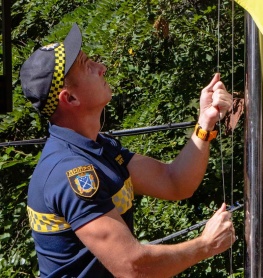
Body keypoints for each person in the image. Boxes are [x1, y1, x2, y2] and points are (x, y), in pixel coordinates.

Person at [20, 23, 235, 277]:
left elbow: (175, 182)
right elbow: (132, 267)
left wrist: (205, 122)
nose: (102, 68)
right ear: (70, 99)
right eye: (88, 65)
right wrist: (204, 246)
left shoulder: (99, 148)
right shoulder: (70, 173)